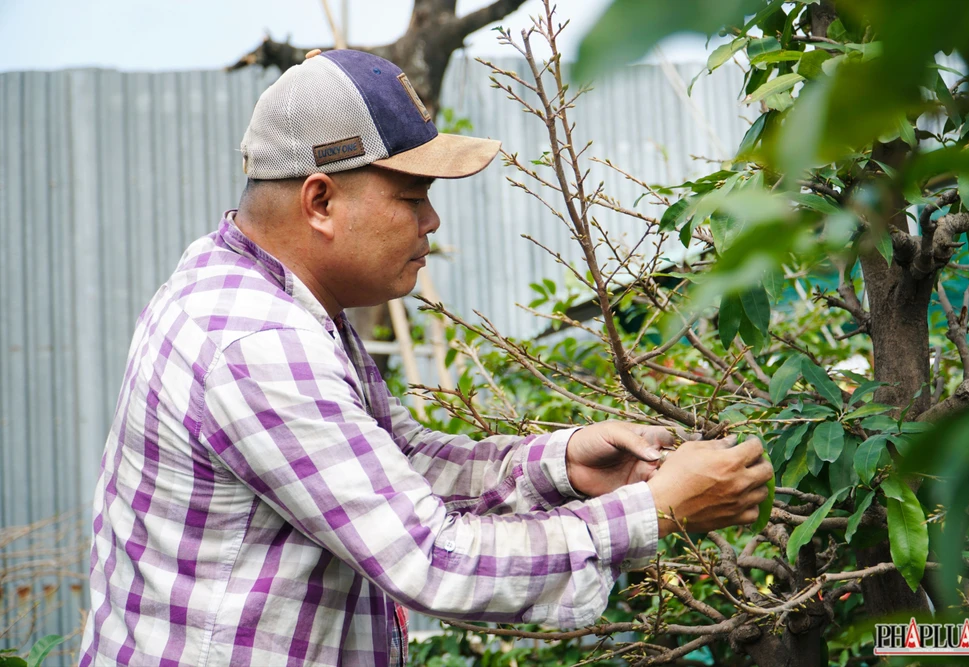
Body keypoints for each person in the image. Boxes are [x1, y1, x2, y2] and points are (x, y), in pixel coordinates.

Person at [79, 49, 773, 667]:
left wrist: (561, 465)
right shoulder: (259, 344)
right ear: (320, 200)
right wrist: (656, 510)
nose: (432, 222)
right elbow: (433, 559)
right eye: (413, 197)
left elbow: (392, 463)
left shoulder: (259, 290)